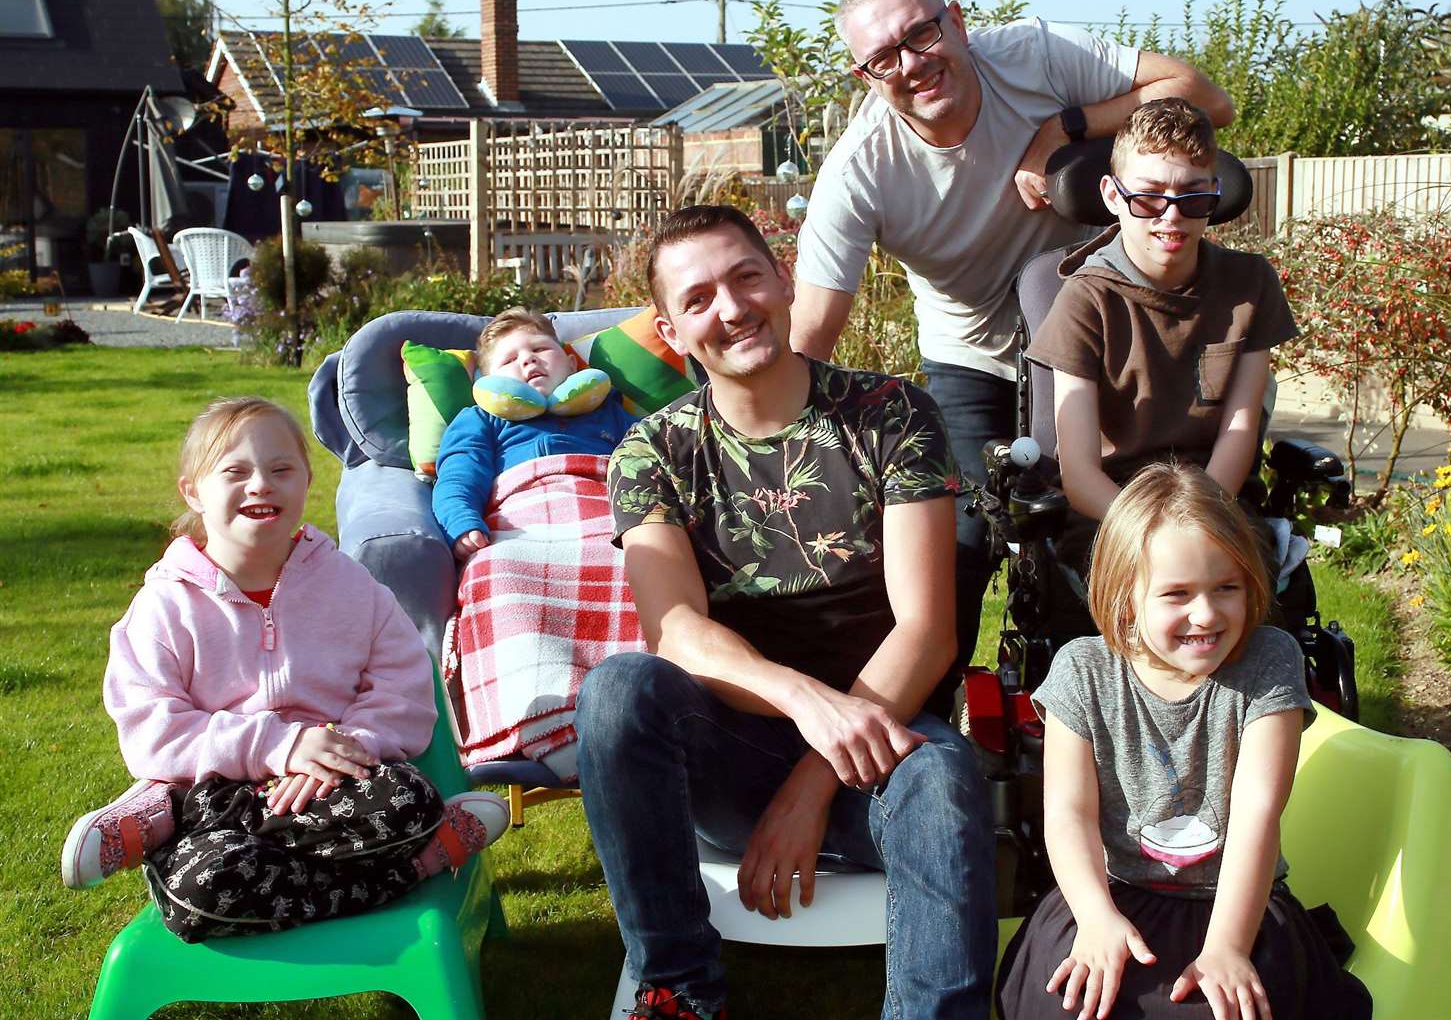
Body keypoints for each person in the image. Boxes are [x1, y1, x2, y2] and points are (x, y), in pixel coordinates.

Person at [576, 205, 994, 1020]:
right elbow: (675, 632)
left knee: (943, 775)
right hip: (725, 751)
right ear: (671, 329)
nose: (730, 309)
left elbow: (927, 630)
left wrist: (813, 781)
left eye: (745, 278)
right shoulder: (652, 451)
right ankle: (676, 990)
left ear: (784, 279)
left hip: (883, 745)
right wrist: (805, 702)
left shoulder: (889, 413)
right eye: (698, 300)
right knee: (620, 690)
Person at [791, 0, 1236, 676]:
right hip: (972, 361)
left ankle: (1142, 694)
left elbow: (1205, 99)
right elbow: (808, 335)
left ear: (957, 22)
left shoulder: (1031, 57)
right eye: (883, 58)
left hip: (1101, 346)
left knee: (1118, 521)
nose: (911, 64)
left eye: (921, 33)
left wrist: (1061, 131)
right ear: (864, 76)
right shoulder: (859, 170)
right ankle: (922, 741)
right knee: (956, 547)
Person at [60, 397, 509, 942]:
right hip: (213, 799)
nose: (260, 485)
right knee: (197, 889)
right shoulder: (164, 606)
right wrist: (282, 744)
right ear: (192, 492)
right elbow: (152, 729)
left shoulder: (353, 587)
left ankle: (162, 827)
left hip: (332, 792)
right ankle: (418, 864)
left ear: (304, 482)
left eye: (280, 470)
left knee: (408, 803)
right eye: (235, 472)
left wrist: (342, 748)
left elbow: (406, 690)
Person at [995, 463, 1372, 1020]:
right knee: (1078, 1001)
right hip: (1109, 893)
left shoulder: (1269, 664)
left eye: (1227, 588)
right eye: (1177, 594)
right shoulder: (1083, 670)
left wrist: (1227, 947)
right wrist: (1096, 919)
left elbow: (1256, 816)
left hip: (1235, 904)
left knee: (1216, 1008)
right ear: (1126, 598)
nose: (1206, 613)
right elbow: (1068, 815)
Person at [1028, 99, 1296, 570]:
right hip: (1112, 510)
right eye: (1149, 197)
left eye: (1192, 198)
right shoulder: (1084, 298)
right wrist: (1154, 536)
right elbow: (1079, 471)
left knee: (1231, 594)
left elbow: (1240, 428)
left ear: (1214, 195)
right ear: (1113, 195)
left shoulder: (1251, 285)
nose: (1171, 217)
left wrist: (1198, 523)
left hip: (1218, 500)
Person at [432, 306, 636, 562]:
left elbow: (653, 455)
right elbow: (459, 474)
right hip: (520, 529)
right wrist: (461, 520)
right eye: (508, 360)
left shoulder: (609, 411)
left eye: (540, 349)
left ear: (572, 364)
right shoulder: (480, 419)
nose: (529, 359)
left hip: (609, 519)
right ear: (486, 381)